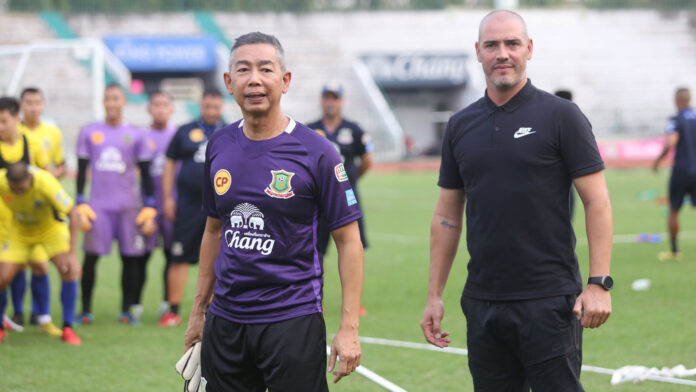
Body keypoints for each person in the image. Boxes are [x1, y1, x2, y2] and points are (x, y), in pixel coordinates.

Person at [420, 10, 613, 392]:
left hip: (549, 301)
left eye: (512, 44)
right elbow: (447, 215)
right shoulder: (460, 125)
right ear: (478, 52)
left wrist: (598, 283)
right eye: (492, 45)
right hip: (482, 300)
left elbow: (597, 202)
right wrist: (434, 295)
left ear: (529, 49)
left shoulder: (562, 116)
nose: (502, 53)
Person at [181, 32, 363, 391]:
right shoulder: (218, 145)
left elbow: (348, 241)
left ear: (285, 80)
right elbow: (213, 231)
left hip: (292, 320)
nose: (255, 80)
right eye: (243, 70)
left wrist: (349, 329)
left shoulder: (319, 152)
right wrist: (198, 312)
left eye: (266, 69)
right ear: (229, 83)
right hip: (226, 321)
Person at [75, 84, 157, 325]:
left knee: (130, 258)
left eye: (116, 99)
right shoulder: (89, 132)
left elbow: (146, 172)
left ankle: (126, 311)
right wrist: (80, 200)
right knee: (90, 258)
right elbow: (81, 170)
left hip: (128, 207)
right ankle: (86, 310)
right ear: (103, 102)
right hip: (98, 207)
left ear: (124, 102)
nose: (112, 103)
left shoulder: (137, 133)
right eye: (108, 99)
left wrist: (149, 204)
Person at [159, 89, 225, 327]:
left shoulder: (230, 131)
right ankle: (172, 310)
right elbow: (169, 162)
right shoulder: (185, 130)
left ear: (222, 107)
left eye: (215, 107)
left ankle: (211, 309)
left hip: (219, 207)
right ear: (201, 105)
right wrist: (168, 197)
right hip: (187, 205)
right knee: (179, 257)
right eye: (207, 106)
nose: (211, 111)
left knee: (219, 259)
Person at [307, 83, 372, 316]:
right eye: (327, 97)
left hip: (347, 199)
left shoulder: (353, 129)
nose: (330, 102)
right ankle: (316, 299)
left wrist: (348, 182)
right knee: (316, 250)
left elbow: (366, 161)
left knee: (354, 246)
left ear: (341, 101)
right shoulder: (310, 130)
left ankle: (355, 303)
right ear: (322, 100)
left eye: (334, 98)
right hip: (318, 201)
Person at [0, 162, 81, 345]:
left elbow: (74, 214)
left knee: (68, 270)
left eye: (21, 189)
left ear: (30, 179)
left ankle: (68, 328)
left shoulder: (46, 183)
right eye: (14, 189)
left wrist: (72, 253)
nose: (17, 193)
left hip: (49, 231)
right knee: (2, 279)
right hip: (19, 232)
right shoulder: (2, 181)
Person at [0, 96, 62, 337]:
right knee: (6, 272)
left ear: (17, 118)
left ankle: (43, 317)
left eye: (4, 121)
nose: (1, 127)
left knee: (39, 264)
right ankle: (7, 318)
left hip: (28, 221)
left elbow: (47, 178)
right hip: (3, 221)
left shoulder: (32, 144)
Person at [141, 92, 177, 318]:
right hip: (146, 207)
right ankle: (134, 305)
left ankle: (167, 301)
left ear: (171, 108)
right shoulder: (141, 135)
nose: (161, 109)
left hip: (172, 205)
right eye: (156, 105)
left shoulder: (177, 135)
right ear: (149, 109)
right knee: (140, 256)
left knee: (170, 255)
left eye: (165, 104)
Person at [653, 87, 696, 261]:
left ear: (676, 100)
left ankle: (675, 250)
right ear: (689, 99)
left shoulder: (675, 120)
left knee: (674, 209)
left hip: (681, 170)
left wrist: (658, 161)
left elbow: (671, 142)